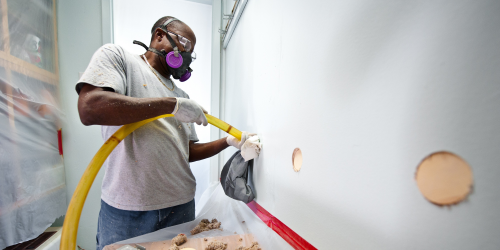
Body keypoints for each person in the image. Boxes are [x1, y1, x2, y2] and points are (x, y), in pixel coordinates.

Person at [76, 16, 250, 250]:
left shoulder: (181, 96)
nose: (187, 55)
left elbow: (186, 152)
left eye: (192, 52)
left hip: (181, 206)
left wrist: (228, 141)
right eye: (185, 44)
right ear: (160, 36)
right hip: (128, 210)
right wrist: (172, 106)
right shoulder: (120, 59)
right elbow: (90, 108)